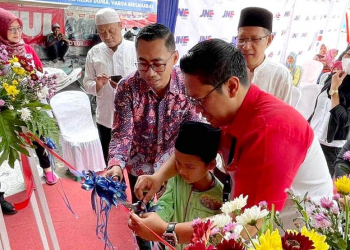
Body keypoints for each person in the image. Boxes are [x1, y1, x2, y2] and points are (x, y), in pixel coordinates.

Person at [128, 39, 333, 246]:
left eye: (200, 100)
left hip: (295, 237)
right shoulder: (230, 112)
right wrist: (158, 177)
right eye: (192, 101)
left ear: (232, 86)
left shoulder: (271, 131)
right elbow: (192, 148)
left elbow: (248, 225)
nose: (197, 110)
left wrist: (167, 230)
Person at [106, 24, 201, 202]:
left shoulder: (188, 85)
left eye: (158, 64)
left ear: (174, 58)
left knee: (170, 219)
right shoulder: (127, 87)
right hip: (138, 166)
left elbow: (192, 134)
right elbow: (122, 135)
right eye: (142, 63)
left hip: (174, 165)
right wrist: (116, 164)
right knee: (141, 216)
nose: (150, 73)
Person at [0, 8, 57, 214]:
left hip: (28, 104)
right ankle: (1, 194)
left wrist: (38, 80)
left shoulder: (27, 49)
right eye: (11, 29)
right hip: (5, 110)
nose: (16, 32)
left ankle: (47, 170)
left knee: (38, 136)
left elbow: (40, 71)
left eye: (19, 28)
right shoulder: (0, 51)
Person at [153, 121, 223, 249]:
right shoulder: (175, 179)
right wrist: (153, 217)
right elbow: (166, 204)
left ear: (211, 165)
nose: (181, 171)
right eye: (178, 163)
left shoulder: (220, 195)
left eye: (189, 166)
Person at [83, 8, 137, 164]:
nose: (107, 36)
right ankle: (114, 188)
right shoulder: (93, 53)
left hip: (134, 117)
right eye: (102, 32)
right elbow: (87, 83)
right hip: (106, 118)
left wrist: (125, 86)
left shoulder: (135, 50)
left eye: (111, 30)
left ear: (121, 25)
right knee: (109, 160)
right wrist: (97, 86)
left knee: (135, 162)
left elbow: (147, 82)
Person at [236, 7, 292, 104]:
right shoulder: (225, 69)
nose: (246, 46)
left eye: (255, 39)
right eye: (242, 39)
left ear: (269, 40)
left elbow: (283, 115)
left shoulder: (280, 75)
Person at [309, 47, 350, 178]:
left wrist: (334, 89)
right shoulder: (334, 76)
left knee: (319, 186)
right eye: (348, 55)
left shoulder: (337, 83)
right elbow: (318, 109)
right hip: (311, 137)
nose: (348, 59)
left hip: (330, 146)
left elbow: (344, 120)